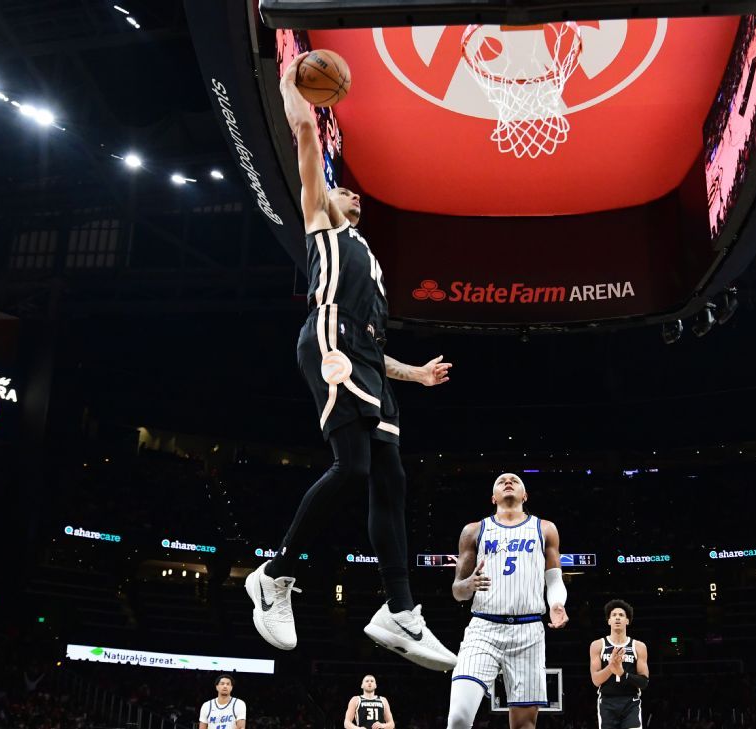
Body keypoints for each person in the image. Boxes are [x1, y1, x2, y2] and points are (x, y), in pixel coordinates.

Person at [244, 51, 456, 671]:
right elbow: (306, 136)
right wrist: (293, 84)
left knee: (391, 478)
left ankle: (400, 611)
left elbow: (374, 350)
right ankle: (274, 575)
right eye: (343, 188)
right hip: (328, 339)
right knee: (354, 466)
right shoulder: (323, 221)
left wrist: (416, 375)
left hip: (361, 356)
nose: (350, 193)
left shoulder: (373, 268)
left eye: (353, 192)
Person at [446, 473, 569, 729]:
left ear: (525, 496)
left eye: (514, 480)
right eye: (501, 481)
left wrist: (557, 604)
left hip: (529, 631)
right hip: (483, 629)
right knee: (458, 718)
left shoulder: (545, 528)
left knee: (524, 725)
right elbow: (458, 591)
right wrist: (468, 585)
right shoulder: (473, 530)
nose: (508, 482)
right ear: (493, 498)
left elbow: (554, 580)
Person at [590, 599, 650, 729]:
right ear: (609, 621)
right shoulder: (597, 645)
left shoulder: (638, 646)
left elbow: (644, 682)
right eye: (614, 615)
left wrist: (622, 673)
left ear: (627, 621)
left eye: (621, 615)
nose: (617, 617)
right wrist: (611, 667)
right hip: (607, 702)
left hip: (631, 701)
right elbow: (596, 681)